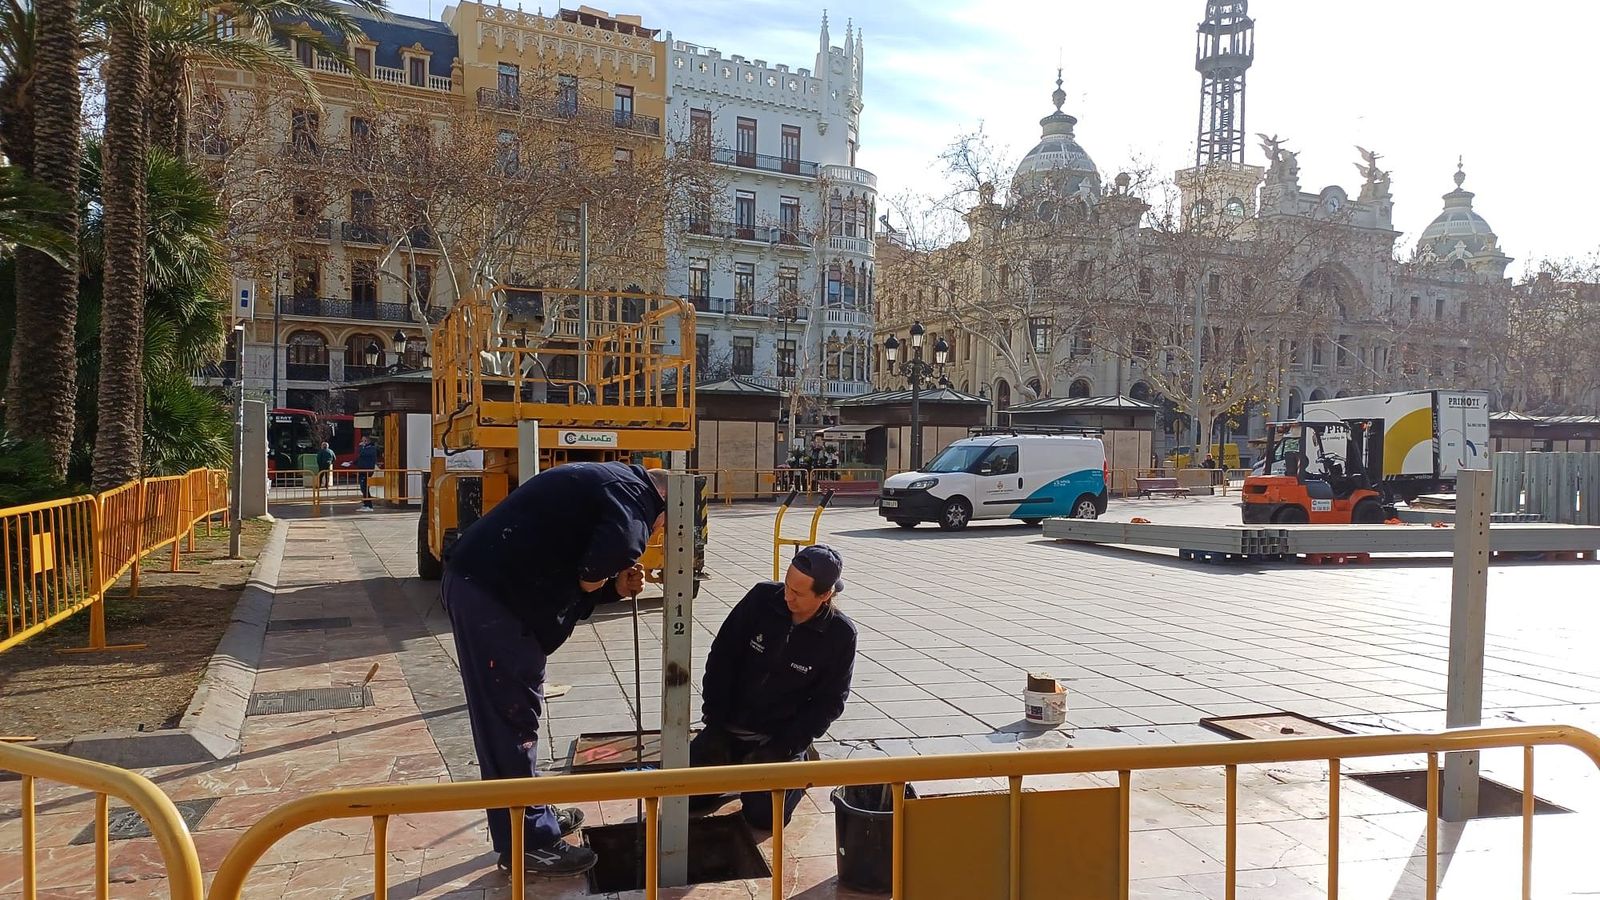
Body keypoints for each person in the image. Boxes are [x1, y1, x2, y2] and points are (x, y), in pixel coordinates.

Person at [443, 462, 667, 878]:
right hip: (494, 599)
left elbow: (569, 563)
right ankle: (529, 844)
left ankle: (535, 815)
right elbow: (616, 547)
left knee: (515, 719)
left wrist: (611, 588)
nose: (656, 534)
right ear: (664, 507)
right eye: (661, 528)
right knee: (511, 723)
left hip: (495, 591)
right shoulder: (635, 494)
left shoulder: (606, 482)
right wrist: (595, 579)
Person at [690, 544, 857, 829]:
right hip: (729, 725)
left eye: (798, 593)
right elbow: (722, 655)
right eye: (787, 586)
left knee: (764, 818)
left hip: (778, 737)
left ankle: (795, 769)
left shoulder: (840, 634)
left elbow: (830, 702)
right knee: (687, 799)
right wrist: (715, 719)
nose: (787, 596)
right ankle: (730, 763)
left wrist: (784, 746)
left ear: (825, 595)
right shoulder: (761, 599)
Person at [354, 436, 379, 509]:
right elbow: (360, 457)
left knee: (365, 487)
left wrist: (361, 446)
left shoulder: (372, 449)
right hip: (362, 470)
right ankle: (366, 504)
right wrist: (352, 463)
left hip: (367, 470)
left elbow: (362, 453)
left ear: (366, 441)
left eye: (363, 440)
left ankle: (369, 505)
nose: (361, 442)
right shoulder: (365, 448)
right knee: (363, 488)